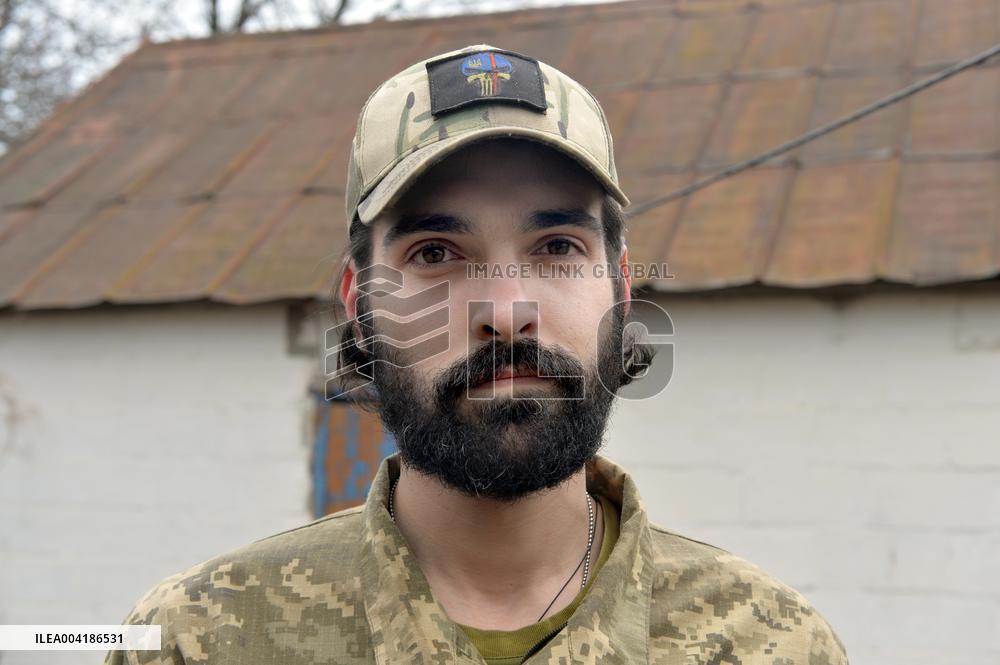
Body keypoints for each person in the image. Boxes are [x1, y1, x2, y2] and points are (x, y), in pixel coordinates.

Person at [106, 44, 849, 665]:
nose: (505, 312)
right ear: (358, 305)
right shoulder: (196, 638)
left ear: (620, 290)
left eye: (558, 248)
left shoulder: (774, 642)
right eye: (436, 252)